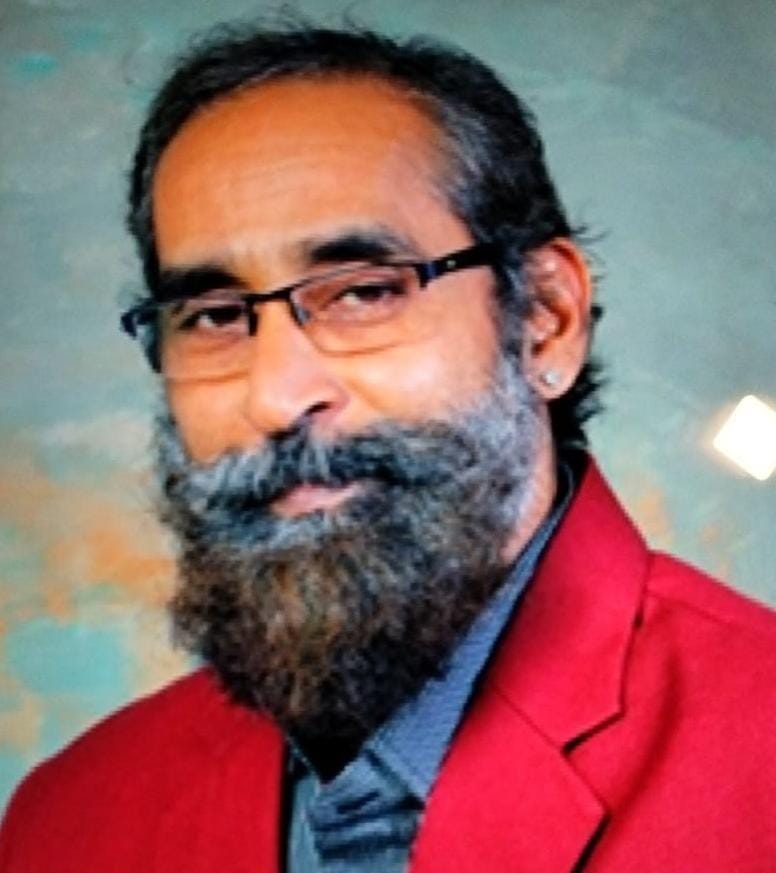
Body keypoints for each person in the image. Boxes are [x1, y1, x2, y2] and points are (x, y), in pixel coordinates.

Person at [1, 20, 775, 873]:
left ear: (545, 320)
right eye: (215, 316)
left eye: (365, 292)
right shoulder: (67, 821)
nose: (275, 395)